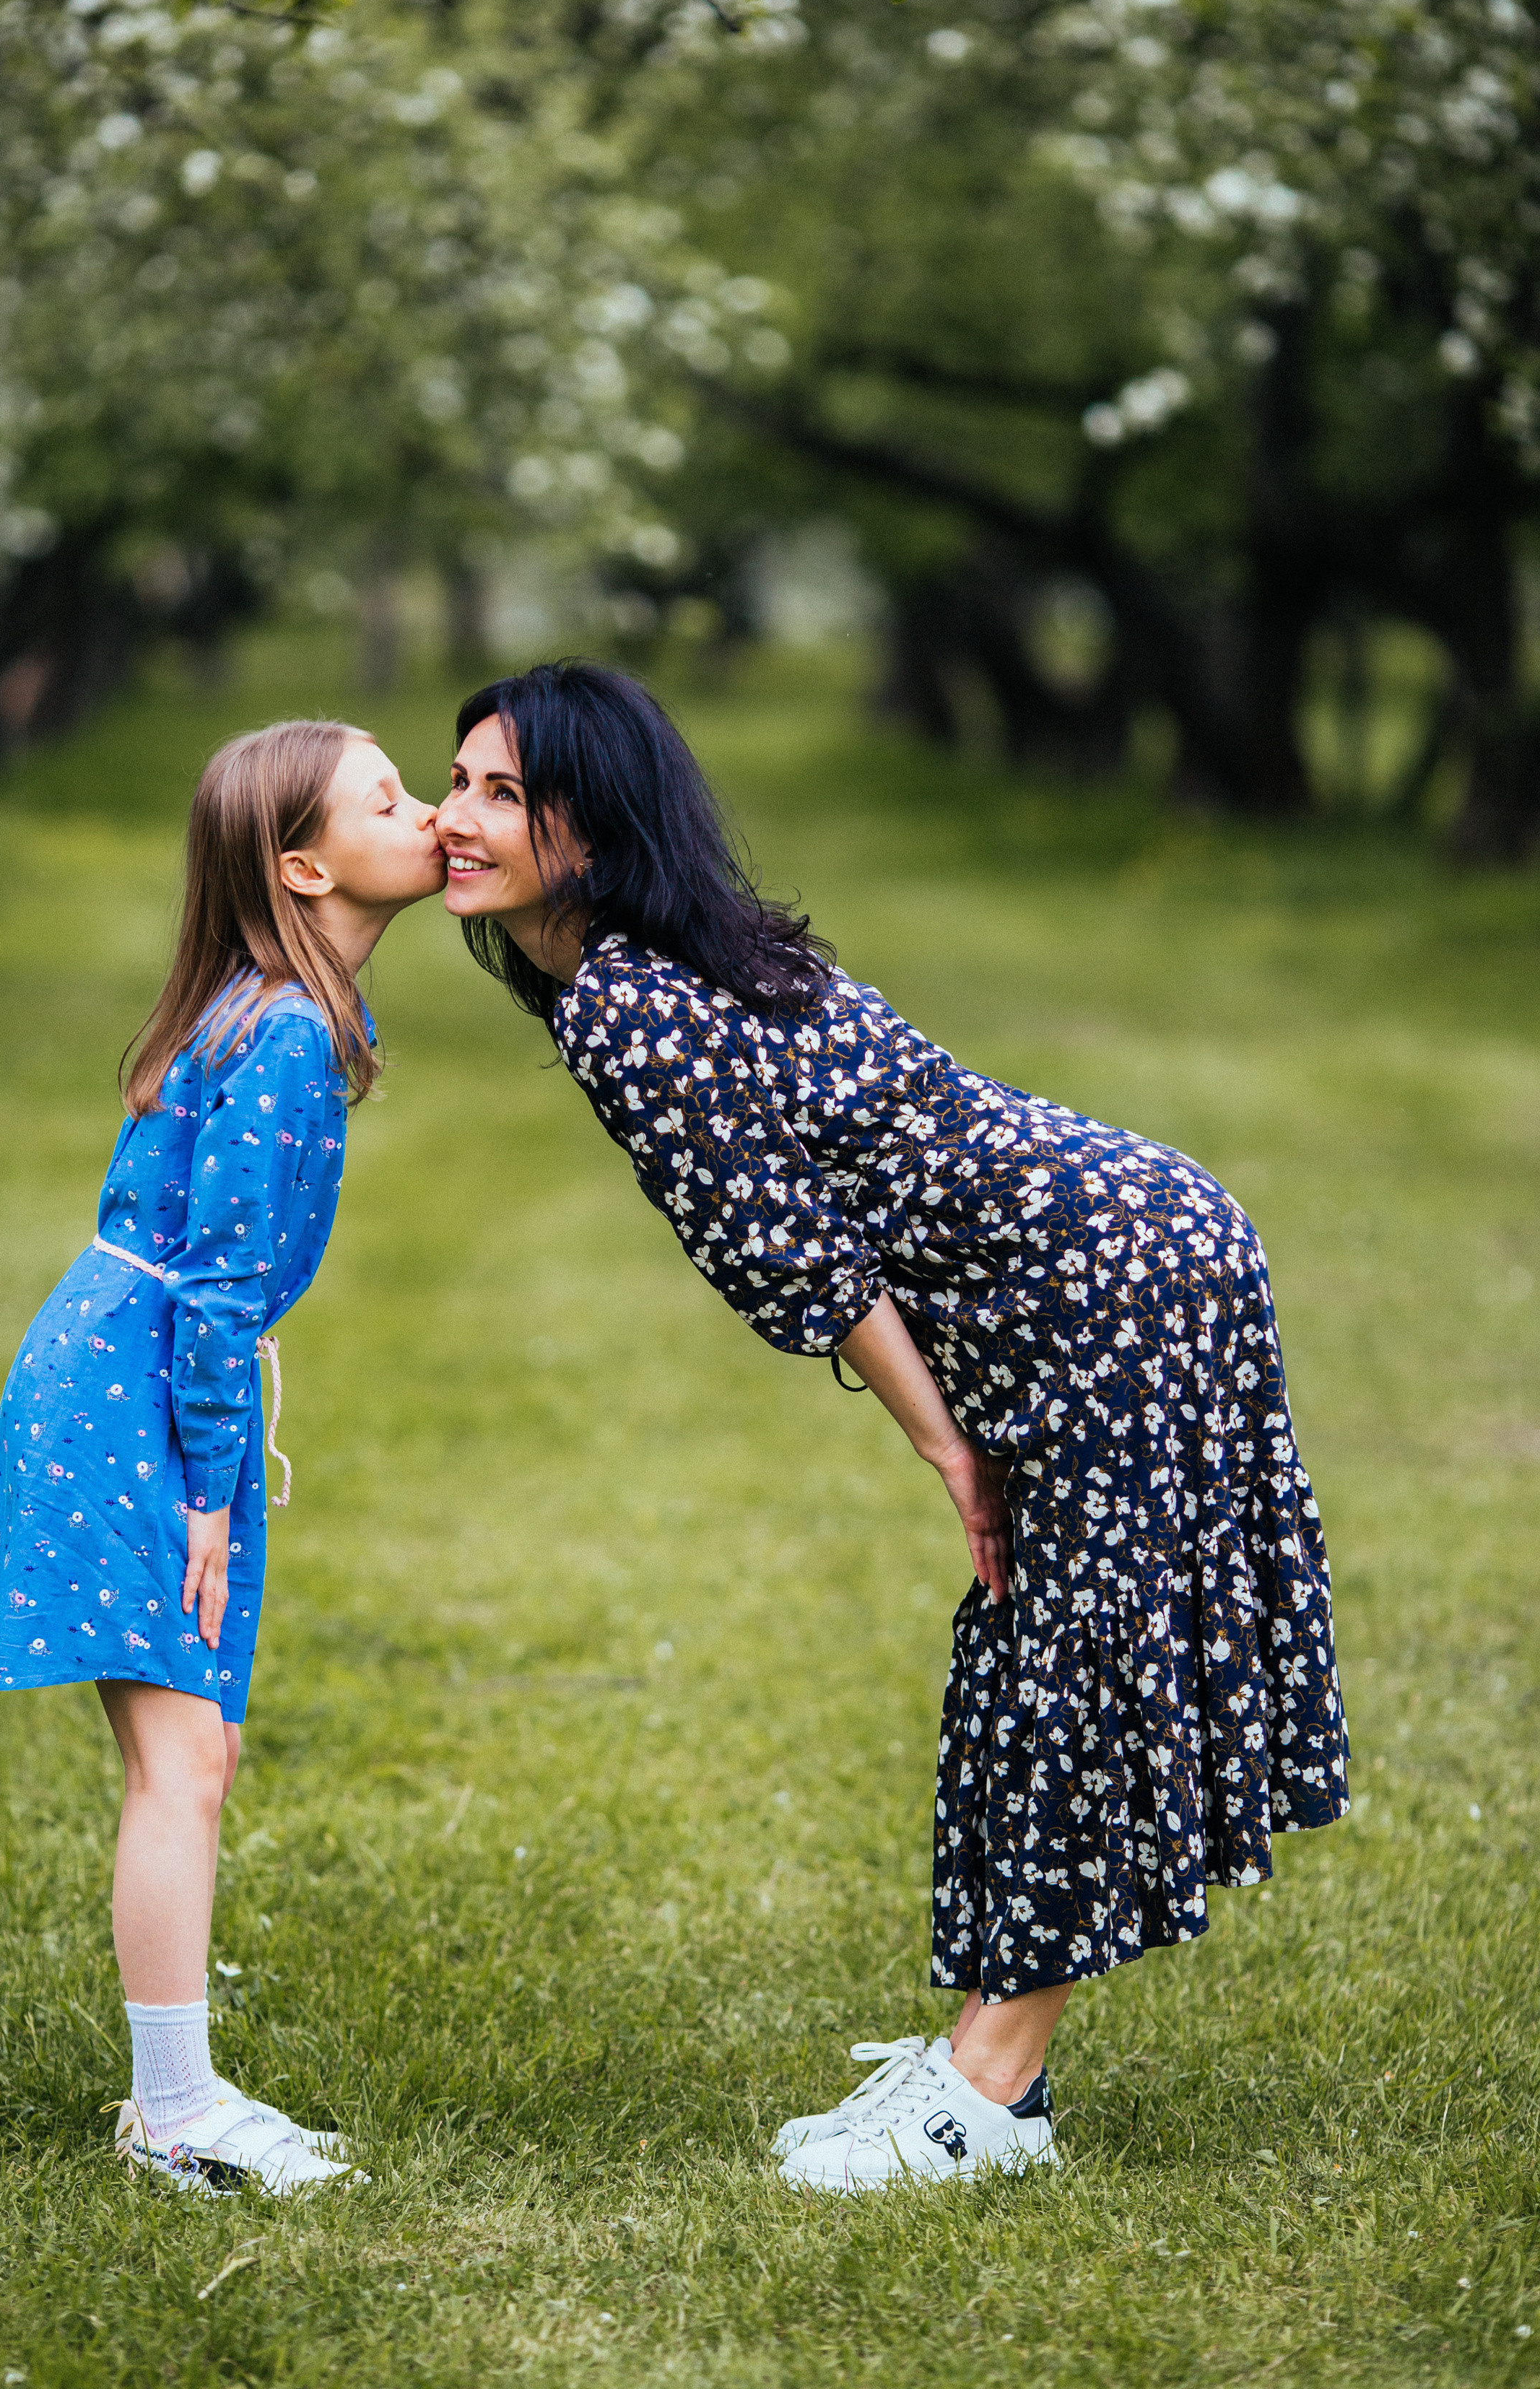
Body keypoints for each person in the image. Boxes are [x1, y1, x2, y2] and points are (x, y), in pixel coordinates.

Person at [437, 659, 1349, 2196]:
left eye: (503, 794)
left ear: (594, 827)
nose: (457, 818)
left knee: (1073, 1655)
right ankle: (995, 2066)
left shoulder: (626, 1003)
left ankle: (987, 2098)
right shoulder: (690, 953)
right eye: (457, 782)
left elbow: (804, 1259)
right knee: (1039, 1647)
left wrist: (947, 1447)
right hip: (1136, 1237)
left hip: (1102, 1285)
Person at [0, 721, 445, 2197]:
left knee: (199, 1753)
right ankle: (174, 2114)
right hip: (128, 1398)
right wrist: (204, 1494)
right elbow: (221, 1290)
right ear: (304, 868)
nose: (429, 814)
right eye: (389, 800)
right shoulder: (287, 1032)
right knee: (180, 1762)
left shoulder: (283, 1011)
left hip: (134, 1376)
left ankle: (173, 2098)